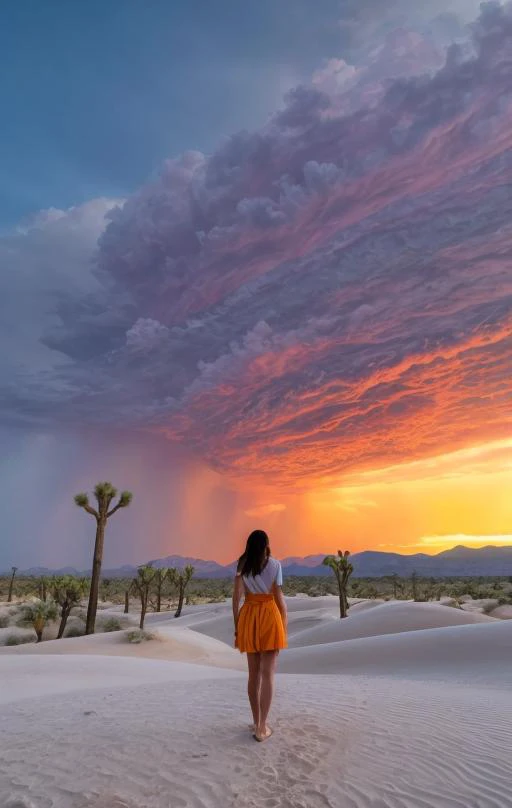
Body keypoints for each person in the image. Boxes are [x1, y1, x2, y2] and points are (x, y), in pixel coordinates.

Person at [232, 529, 287, 742]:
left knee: (253, 675)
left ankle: (256, 722)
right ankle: (262, 727)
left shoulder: (241, 565)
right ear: (266, 545)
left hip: (249, 616)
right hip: (269, 615)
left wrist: (238, 627)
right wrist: (284, 623)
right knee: (268, 674)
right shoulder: (275, 565)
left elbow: (236, 599)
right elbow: (278, 596)